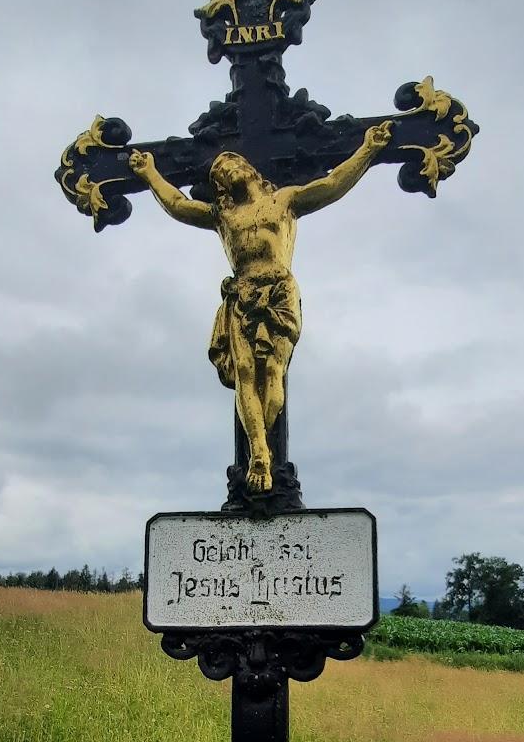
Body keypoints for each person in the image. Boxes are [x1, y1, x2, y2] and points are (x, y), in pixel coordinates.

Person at [130, 121, 393, 492]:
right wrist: (149, 173)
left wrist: (368, 150)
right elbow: (177, 204)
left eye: (233, 163)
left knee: (272, 372)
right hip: (242, 294)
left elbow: (332, 186)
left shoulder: (284, 201)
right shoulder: (223, 215)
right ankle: (259, 454)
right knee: (243, 372)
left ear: (249, 169)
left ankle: (264, 443)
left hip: (278, 292)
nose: (228, 170)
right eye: (220, 172)